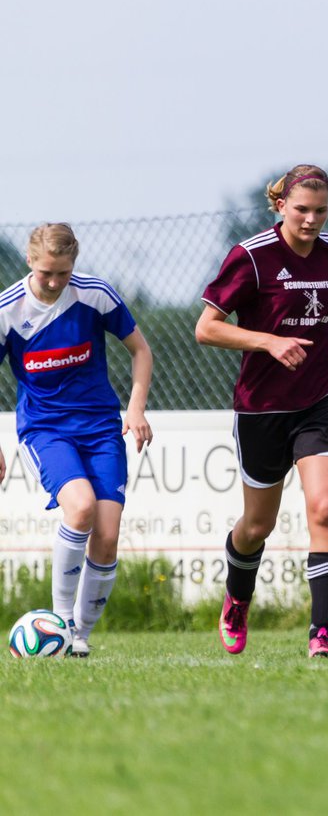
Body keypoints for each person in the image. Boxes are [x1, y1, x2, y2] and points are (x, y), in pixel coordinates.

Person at [195, 164, 328, 659]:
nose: (311, 220)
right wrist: (268, 342)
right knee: (257, 526)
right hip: (261, 407)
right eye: (301, 209)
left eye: (321, 211)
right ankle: (237, 598)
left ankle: (323, 635)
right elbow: (207, 328)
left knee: (324, 509)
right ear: (281, 206)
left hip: (321, 395)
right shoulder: (252, 257)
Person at [0, 223, 154, 658]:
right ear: (30, 261)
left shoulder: (94, 294)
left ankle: (79, 636)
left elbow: (141, 350)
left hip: (102, 428)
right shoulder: (8, 310)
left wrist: (136, 408)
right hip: (45, 430)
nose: (53, 282)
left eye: (62, 274)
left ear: (74, 267)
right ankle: (61, 618)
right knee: (81, 507)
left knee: (106, 534)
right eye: (46, 272)